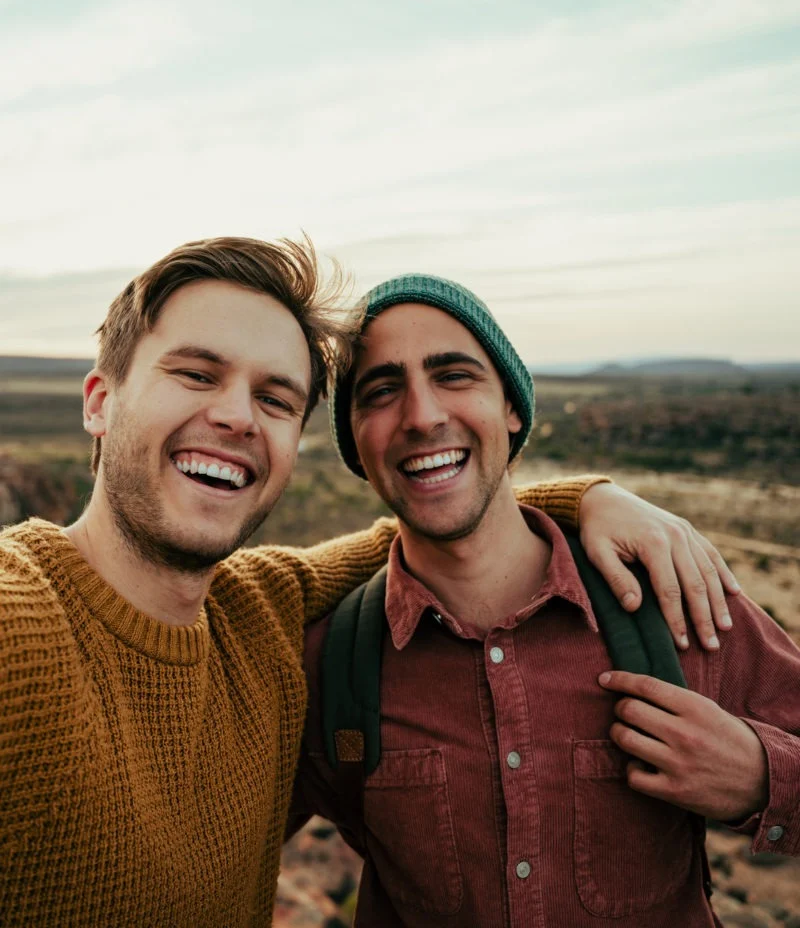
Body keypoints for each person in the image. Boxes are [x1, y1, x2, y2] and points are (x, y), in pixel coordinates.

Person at [0, 237, 734, 927]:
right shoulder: (21, 619)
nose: (235, 416)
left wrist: (583, 499)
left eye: (277, 399)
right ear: (98, 400)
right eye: (196, 373)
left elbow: (429, 527)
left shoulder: (263, 612)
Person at [291, 273, 800, 928]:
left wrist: (763, 778)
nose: (421, 416)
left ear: (512, 407)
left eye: (454, 375)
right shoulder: (330, 662)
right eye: (381, 391)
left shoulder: (668, 602)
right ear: (356, 442)